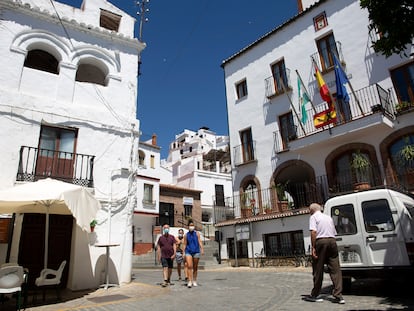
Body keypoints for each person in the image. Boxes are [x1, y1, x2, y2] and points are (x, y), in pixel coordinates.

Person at [306, 203, 345, 304]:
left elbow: (313, 232)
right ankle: (338, 295)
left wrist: (313, 247)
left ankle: (315, 294)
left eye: (309, 210)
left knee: (318, 268)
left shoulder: (313, 217)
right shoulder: (328, 217)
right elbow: (334, 231)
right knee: (335, 269)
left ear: (312, 210)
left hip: (321, 241)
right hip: (332, 241)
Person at [182, 220, 204, 288]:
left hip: (196, 251)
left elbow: (199, 241)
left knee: (195, 267)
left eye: (192, 225)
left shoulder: (197, 233)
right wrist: (183, 252)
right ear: (188, 227)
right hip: (188, 251)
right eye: (190, 225)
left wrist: (202, 249)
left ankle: (194, 280)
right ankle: (189, 280)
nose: (191, 226)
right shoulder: (186, 235)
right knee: (189, 266)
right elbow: (184, 244)